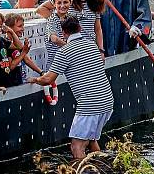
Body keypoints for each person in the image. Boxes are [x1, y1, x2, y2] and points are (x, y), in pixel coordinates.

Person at [28, 16, 113, 160]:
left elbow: (48, 79)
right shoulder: (92, 44)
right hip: (107, 101)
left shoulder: (64, 52)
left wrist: (34, 79)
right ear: (79, 28)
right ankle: (101, 173)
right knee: (92, 139)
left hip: (89, 105)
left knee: (77, 145)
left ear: (63, 33)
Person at [37, 0, 105, 57]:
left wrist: (101, 50)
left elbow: (98, 29)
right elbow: (41, 9)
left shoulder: (95, 1)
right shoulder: (66, 0)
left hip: (90, 50)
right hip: (71, 51)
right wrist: (59, 19)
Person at [0, 9, 28, 88]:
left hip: (8, 81)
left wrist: (11, 31)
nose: (1, 22)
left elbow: (19, 46)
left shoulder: (2, 40)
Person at [4, 13, 44, 80]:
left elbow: (27, 59)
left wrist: (41, 72)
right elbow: (11, 66)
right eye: (20, 26)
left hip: (19, 79)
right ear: (9, 28)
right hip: (10, 83)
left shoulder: (17, 42)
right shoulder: (6, 44)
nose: (23, 29)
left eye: (23, 26)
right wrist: (23, 53)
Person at [45, 0, 71, 68]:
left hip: (68, 63)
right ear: (54, 4)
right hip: (55, 65)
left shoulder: (71, 18)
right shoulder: (53, 19)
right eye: (59, 3)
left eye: (65, 2)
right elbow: (54, 39)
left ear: (71, 2)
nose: (62, 6)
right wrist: (71, 48)